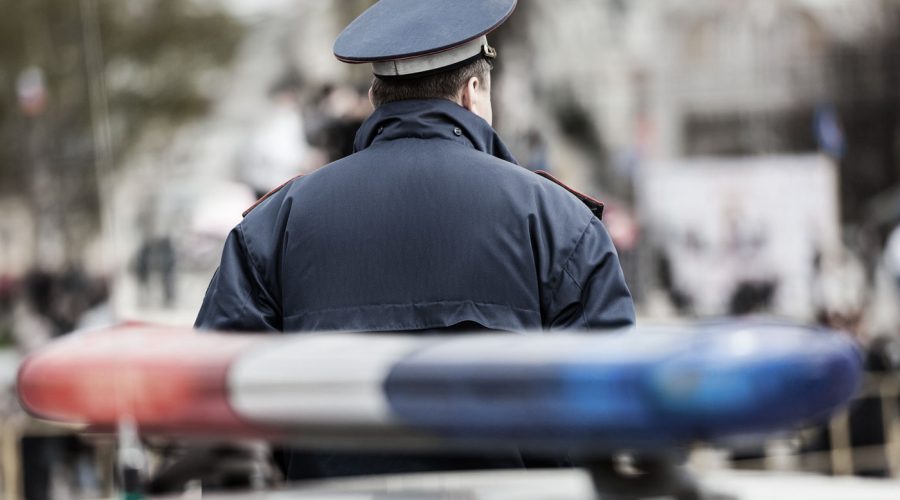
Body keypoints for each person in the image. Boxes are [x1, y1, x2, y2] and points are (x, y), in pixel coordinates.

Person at [196, 0, 634, 480]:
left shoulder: (275, 223)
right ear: (472, 92)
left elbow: (216, 404)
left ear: (375, 96)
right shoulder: (561, 221)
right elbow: (615, 410)